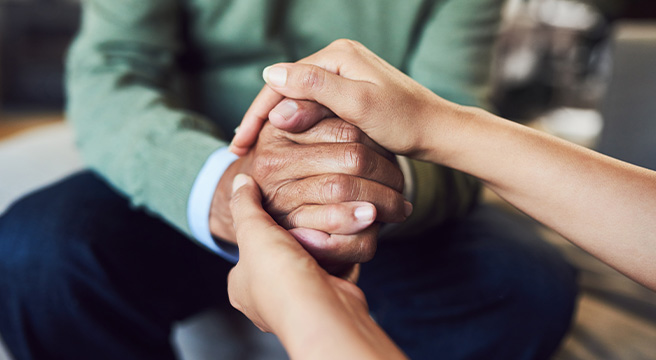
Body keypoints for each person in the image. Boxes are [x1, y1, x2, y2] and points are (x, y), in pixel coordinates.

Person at [0, 1, 577, 359]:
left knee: (524, 286)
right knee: (36, 254)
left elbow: (452, 112)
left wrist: (361, 189)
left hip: (380, 193)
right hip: (191, 172)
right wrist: (225, 187)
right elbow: (113, 72)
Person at [227, 39, 656, 358]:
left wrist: (295, 297)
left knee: (523, 281)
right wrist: (434, 123)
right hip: (204, 182)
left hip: (409, 207)